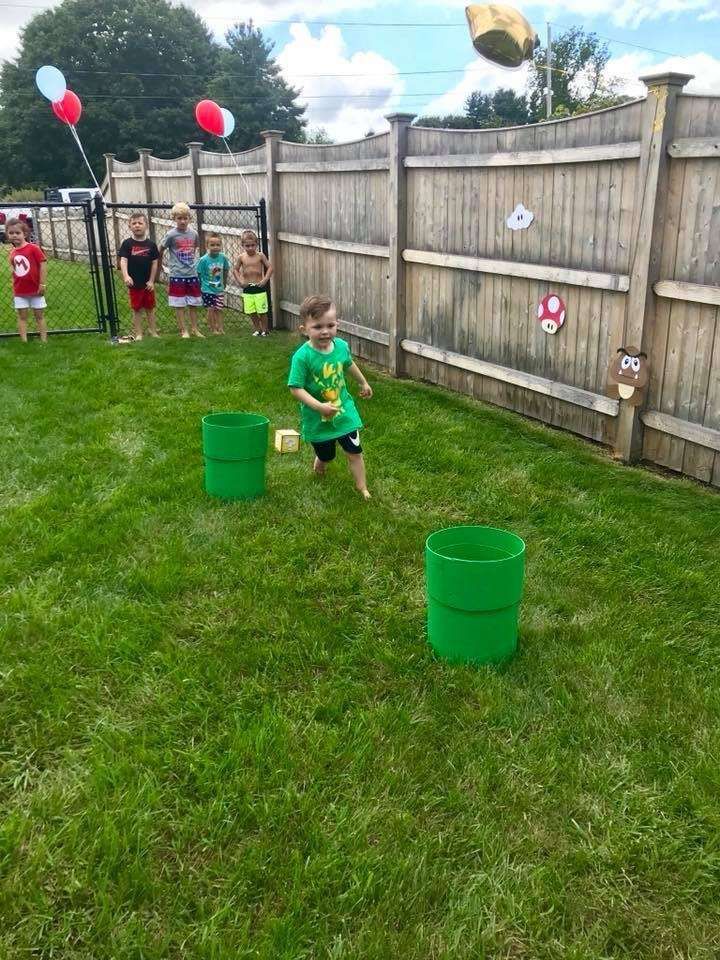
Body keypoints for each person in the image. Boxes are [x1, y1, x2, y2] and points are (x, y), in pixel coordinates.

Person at [288, 294, 373, 500]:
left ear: (337, 325)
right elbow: (295, 388)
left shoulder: (341, 346)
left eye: (330, 325)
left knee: (355, 451)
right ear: (305, 329)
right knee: (327, 454)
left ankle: (362, 488)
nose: (325, 331)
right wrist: (319, 407)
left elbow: (348, 363)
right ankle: (320, 464)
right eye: (317, 327)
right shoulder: (302, 357)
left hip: (344, 411)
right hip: (318, 416)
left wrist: (363, 382)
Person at [158, 202, 203, 338]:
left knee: (193, 303)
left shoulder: (194, 234)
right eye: (179, 218)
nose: (183, 221)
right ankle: (184, 330)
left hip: (192, 274)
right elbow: (160, 249)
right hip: (177, 274)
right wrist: (161, 266)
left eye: (185, 218)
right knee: (180, 304)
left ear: (189, 218)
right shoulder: (171, 235)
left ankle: (195, 329)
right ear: (174, 219)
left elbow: (194, 248)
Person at [117, 211, 159, 340]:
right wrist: (126, 276)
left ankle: (153, 331)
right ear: (129, 226)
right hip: (134, 284)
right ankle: (139, 333)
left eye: (140, 223)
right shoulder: (127, 244)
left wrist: (152, 281)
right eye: (134, 223)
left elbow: (154, 264)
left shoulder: (151, 245)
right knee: (137, 309)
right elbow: (123, 261)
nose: (137, 225)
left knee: (150, 308)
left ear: (146, 225)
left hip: (148, 284)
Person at [6, 218, 48, 343]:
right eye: (11, 233)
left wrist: (42, 283)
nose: (14, 235)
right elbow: (13, 269)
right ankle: (24, 341)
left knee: (39, 316)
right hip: (20, 291)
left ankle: (44, 340)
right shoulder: (12, 252)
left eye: (17, 233)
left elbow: (43, 265)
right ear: (8, 234)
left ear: (24, 234)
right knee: (22, 316)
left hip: (36, 289)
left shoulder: (33, 248)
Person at [233, 229, 272, 337]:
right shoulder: (241, 257)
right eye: (247, 246)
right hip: (247, 288)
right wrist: (240, 281)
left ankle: (265, 330)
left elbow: (270, 267)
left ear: (256, 244)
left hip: (259, 287)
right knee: (251, 311)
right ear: (243, 245)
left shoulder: (260, 256)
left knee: (262, 311)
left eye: (253, 245)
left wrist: (265, 280)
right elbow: (235, 270)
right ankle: (257, 329)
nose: (250, 248)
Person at [197, 233, 230, 335]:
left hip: (219, 288)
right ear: (207, 246)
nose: (215, 247)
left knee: (219, 309)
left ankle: (220, 328)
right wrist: (201, 286)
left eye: (218, 245)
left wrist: (224, 283)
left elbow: (225, 270)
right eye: (212, 245)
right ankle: (213, 329)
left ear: (221, 246)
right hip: (207, 289)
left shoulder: (223, 258)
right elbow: (199, 273)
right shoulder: (203, 260)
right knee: (210, 309)